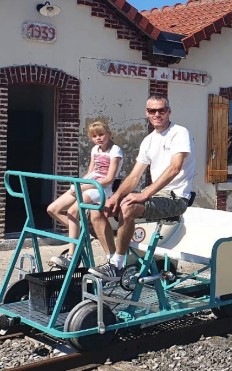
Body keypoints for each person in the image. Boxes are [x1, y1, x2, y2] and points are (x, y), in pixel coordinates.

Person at [88, 94, 196, 281]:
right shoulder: (148, 140)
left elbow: (174, 168)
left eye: (161, 110)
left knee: (128, 207)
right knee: (97, 209)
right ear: (146, 113)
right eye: (152, 111)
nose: (157, 114)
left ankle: (118, 265)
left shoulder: (180, 133)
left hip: (176, 197)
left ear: (168, 112)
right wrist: (114, 198)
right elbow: (134, 176)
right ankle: (112, 259)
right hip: (156, 195)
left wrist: (144, 194)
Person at [48, 121, 124, 268]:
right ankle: (83, 233)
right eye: (95, 136)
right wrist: (79, 184)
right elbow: (90, 171)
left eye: (101, 134)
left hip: (101, 187)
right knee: (53, 209)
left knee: (73, 210)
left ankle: (71, 255)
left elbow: (109, 179)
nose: (98, 138)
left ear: (108, 133)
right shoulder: (95, 149)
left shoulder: (115, 151)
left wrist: (83, 187)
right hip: (90, 182)